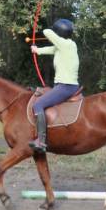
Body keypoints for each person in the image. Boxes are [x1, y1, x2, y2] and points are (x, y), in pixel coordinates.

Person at [28, 18, 79, 152]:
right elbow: (50, 49)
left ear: (58, 33)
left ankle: (41, 140)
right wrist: (37, 50)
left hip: (66, 86)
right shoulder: (64, 46)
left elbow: (47, 32)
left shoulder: (65, 45)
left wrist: (48, 30)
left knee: (38, 105)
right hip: (64, 86)